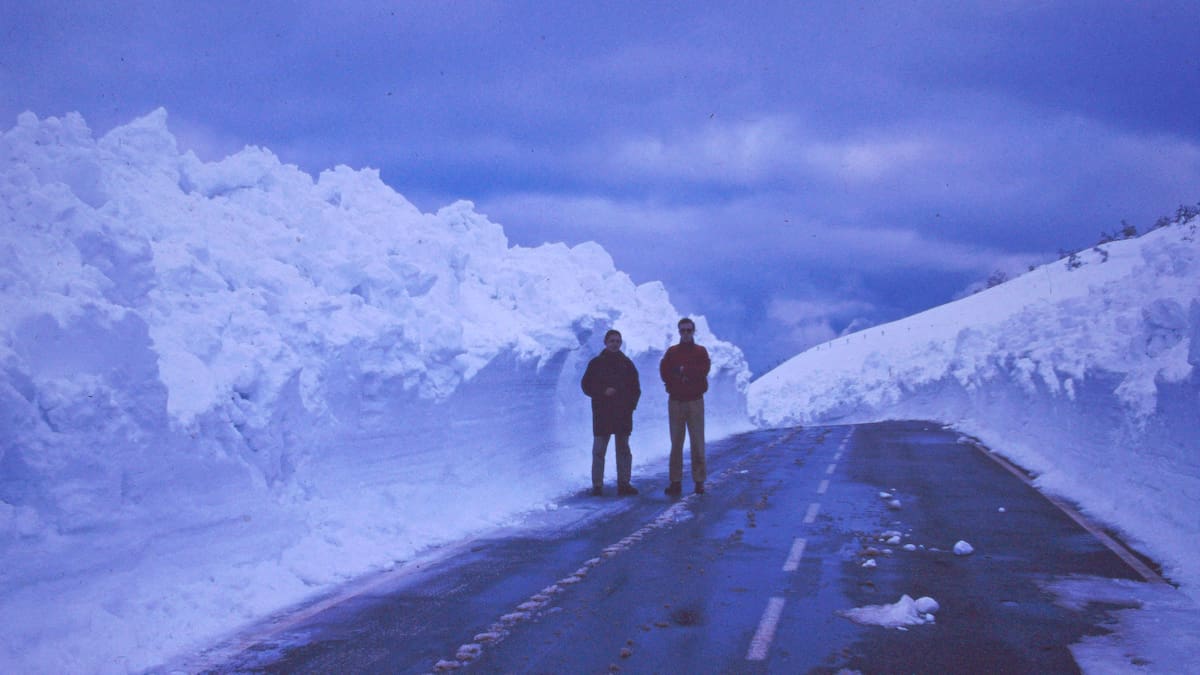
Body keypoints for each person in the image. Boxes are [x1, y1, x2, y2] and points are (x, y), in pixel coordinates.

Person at [580, 329, 641, 496]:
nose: (615, 344)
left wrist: (630, 406)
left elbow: (636, 389)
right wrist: (602, 391)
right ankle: (597, 485)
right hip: (602, 413)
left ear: (621, 343)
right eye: (612, 341)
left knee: (623, 450)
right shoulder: (596, 363)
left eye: (617, 341)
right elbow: (586, 385)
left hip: (623, 414)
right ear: (605, 342)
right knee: (599, 450)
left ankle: (624, 484)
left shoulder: (627, 364)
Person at [659, 317, 710, 495]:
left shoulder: (700, 351)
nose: (686, 333)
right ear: (679, 332)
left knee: (697, 442)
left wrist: (682, 371)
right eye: (683, 330)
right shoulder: (672, 352)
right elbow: (664, 371)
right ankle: (675, 481)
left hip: (695, 401)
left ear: (693, 331)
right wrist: (683, 374)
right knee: (676, 443)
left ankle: (699, 481)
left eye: (689, 330)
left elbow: (703, 370)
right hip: (676, 402)